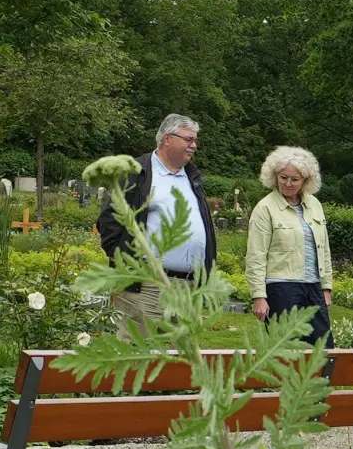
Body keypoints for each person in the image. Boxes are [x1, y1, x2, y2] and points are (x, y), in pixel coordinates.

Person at [97, 114, 217, 341]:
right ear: (167, 139)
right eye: (188, 139)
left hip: (188, 288)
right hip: (147, 287)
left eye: (195, 140)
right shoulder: (136, 172)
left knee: (180, 362)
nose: (194, 145)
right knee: (140, 357)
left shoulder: (192, 177)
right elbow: (109, 221)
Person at [245, 146, 333, 346]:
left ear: (305, 180)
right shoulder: (265, 208)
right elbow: (256, 255)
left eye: (295, 179)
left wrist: (326, 286)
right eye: (283, 177)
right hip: (281, 288)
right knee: (286, 351)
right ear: (274, 176)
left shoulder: (315, 205)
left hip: (313, 287)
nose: (288, 183)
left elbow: (324, 248)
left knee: (324, 350)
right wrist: (258, 296)